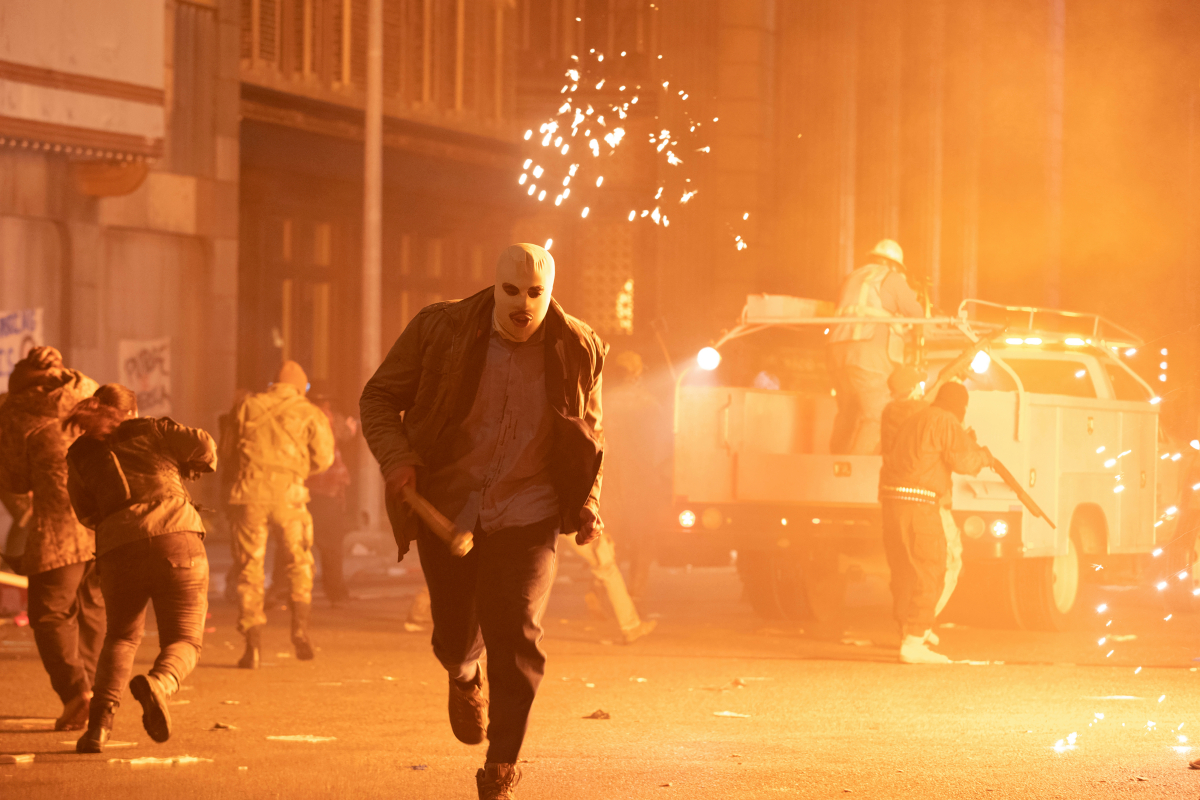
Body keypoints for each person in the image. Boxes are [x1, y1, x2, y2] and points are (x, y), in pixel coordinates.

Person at [360, 243, 605, 800]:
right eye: (512, 292)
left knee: (516, 633)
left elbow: (590, 431)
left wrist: (589, 500)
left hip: (529, 510)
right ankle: (463, 672)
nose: (523, 305)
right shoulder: (440, 329)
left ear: (551, 292)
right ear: (494, 287)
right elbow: (379, 397)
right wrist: (398, 458)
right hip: (448, 506)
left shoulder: (578, 346)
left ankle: (500, 767)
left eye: (536, 294)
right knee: (454, 633)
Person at [62, 385, 217, 752]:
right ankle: (159, 683)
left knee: (121, 637)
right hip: (177, 538)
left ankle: (98, 729)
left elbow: (85, 512)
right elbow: (205, 446)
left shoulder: (80, 453)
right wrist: (190, 465)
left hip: (118, 548)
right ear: (132, 411)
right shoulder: (152, 429)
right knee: (184, 640)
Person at [0, 346, 103, 730]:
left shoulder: (17, 411)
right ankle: (93, 692)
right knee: (93, 608)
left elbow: (15, 480)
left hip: (58, 527)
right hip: (102, 522)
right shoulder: (90, 394)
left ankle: (77, 693)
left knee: (49, 613)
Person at [221, 361, 334, 668]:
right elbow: (324, 458)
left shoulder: (248, 406)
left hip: (250, 495)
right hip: (290, 496)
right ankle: (299, 629)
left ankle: (252, 648)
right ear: (300, 386)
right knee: (299, 562)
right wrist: (297, 470)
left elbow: (227, 451)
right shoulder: (309, 412)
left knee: (250, 569)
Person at [879, 382, 990, 664]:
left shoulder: (915, 419)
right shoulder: (945, 420)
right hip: (919, 504)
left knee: (905, 571)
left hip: (892, 504)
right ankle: (914, 641)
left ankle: (909, 629)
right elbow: (965, 462)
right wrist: (983, 456)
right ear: (960, 405)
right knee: (931, 568)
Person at [828, 239, 925, 455]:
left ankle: (834, 466)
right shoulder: (891, 278)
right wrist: (917, 337)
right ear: (895, 265)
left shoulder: (851, 278)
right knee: (876, 416)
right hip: (868, 358)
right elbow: (917, 314)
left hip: (837, 356)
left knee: (848, 415)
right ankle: (853, 470)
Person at [306, 394, 355, 605]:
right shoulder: (330, 418)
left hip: (303, 490)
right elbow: (346, 434)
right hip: (328, 491)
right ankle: (336, 593)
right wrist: (351, 429)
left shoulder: (299, 417)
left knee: (296, 544)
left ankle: (282, 591)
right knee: (332, 546)